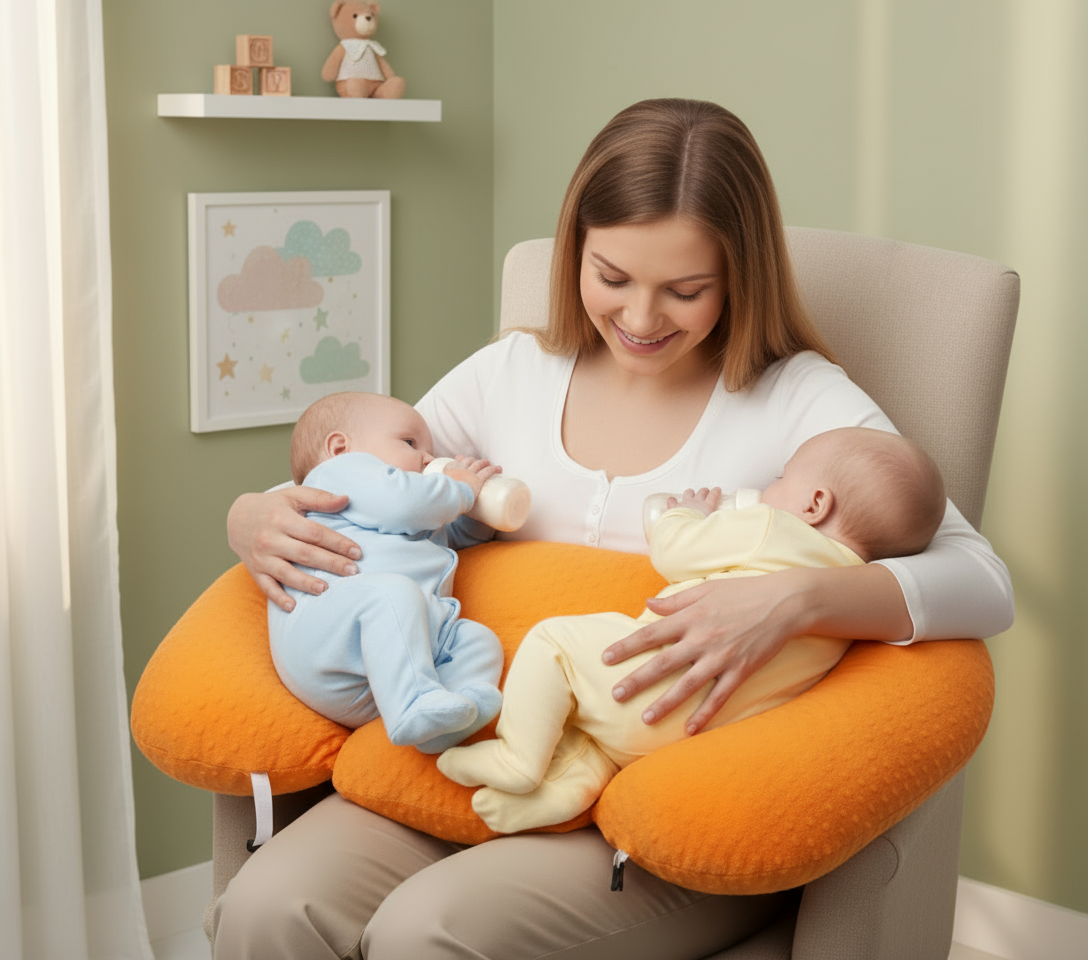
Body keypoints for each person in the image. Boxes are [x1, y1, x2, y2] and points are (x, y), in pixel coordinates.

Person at [217, 99, 1013, 959]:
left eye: (686, 289)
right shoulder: (512, 373)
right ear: (574, 254)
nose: (640, 318)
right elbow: (368, 482)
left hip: (648, 798)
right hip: (475, 738)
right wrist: (250, 514)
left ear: (740, 275)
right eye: (612, 277)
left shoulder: (796, 400)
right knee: (270, 906)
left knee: (429, 936)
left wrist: (797, 600)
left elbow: (983, 581)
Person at [437, 426, 946, 834]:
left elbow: (674, 553)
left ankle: (519, 757)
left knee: (555, 644)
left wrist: (688, 514)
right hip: (691, 733)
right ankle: (573, 783)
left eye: (782, 477)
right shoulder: (849, 611)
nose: (770, 488)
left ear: (814, 505)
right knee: (598, 735)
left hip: (644, 678)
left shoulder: (772, 527)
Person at [267, 391, 505, 751]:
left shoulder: (408, 516)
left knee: (476, 639)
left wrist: (477, 514)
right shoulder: (338, 475)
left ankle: (450, 714)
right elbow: (404, 501)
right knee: (392, 593)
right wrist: (459, 489)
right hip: (327, 642)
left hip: (385, 675)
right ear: (339, 447)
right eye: (409, 442)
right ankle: (415, 705)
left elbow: (450, 535)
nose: (429, 458)